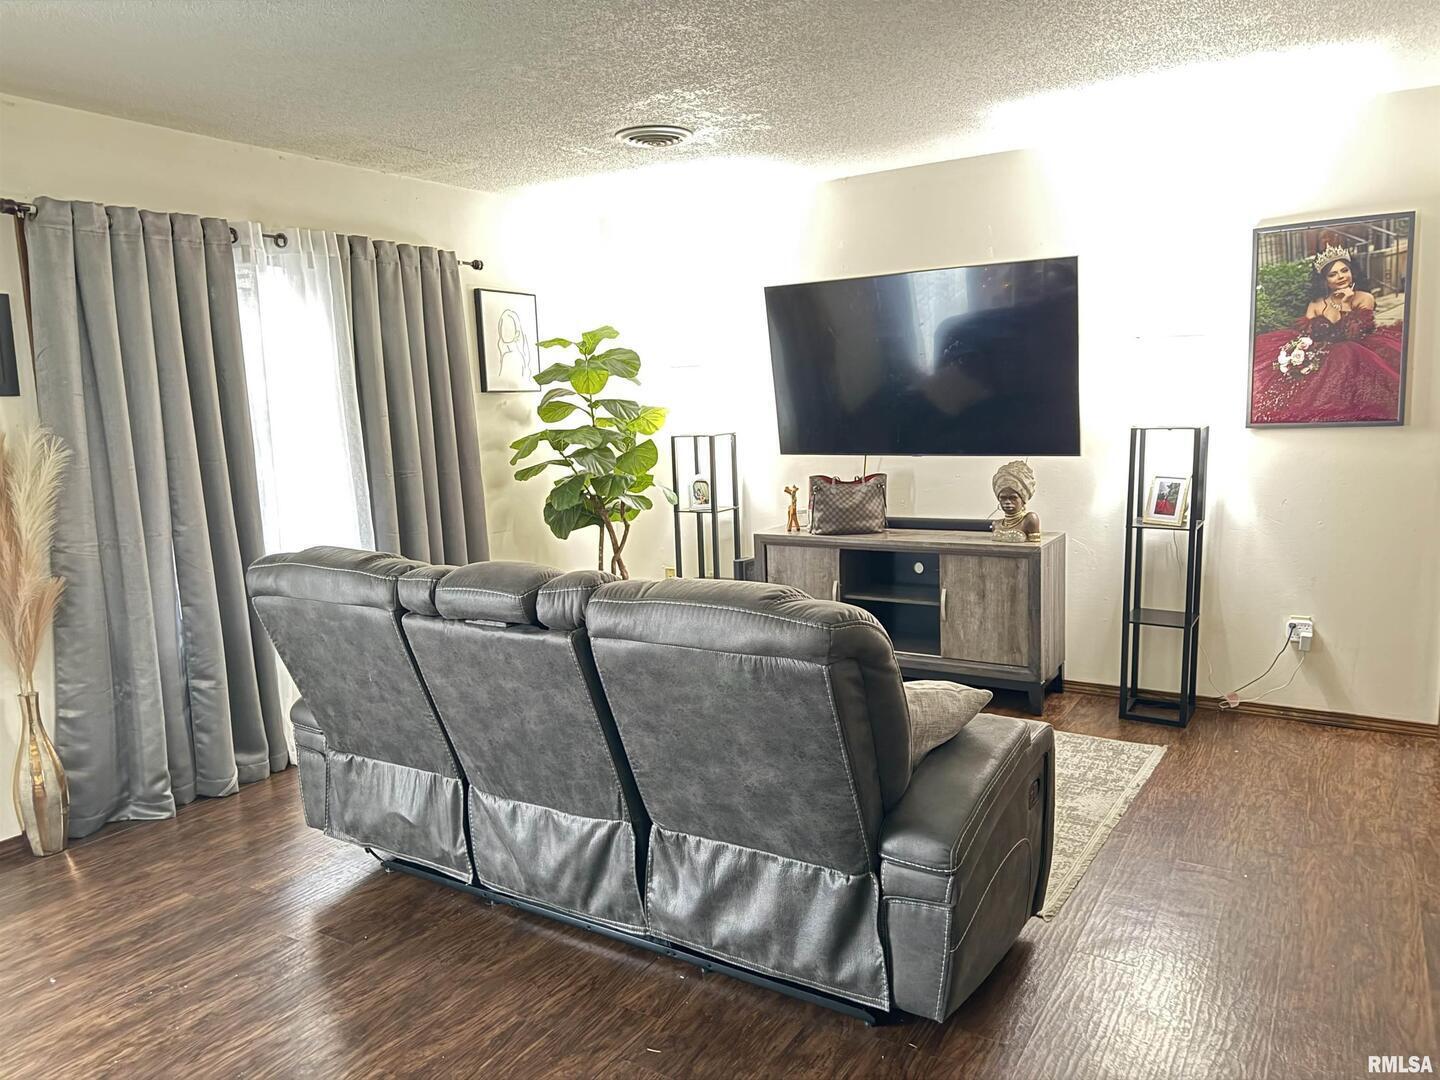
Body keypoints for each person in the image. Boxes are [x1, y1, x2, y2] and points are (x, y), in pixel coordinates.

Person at [1250, 243, 1404, 424]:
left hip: (1357, 351)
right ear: (1324, 280)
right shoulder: (1316, 304)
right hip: (1319, 351)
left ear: (1352, 271)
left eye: (1344, 270)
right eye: (1333, 274)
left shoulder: (1364, 297)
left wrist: (1345, 302)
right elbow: (1306, 336)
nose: (1341, 277)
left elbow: (1352, 334)